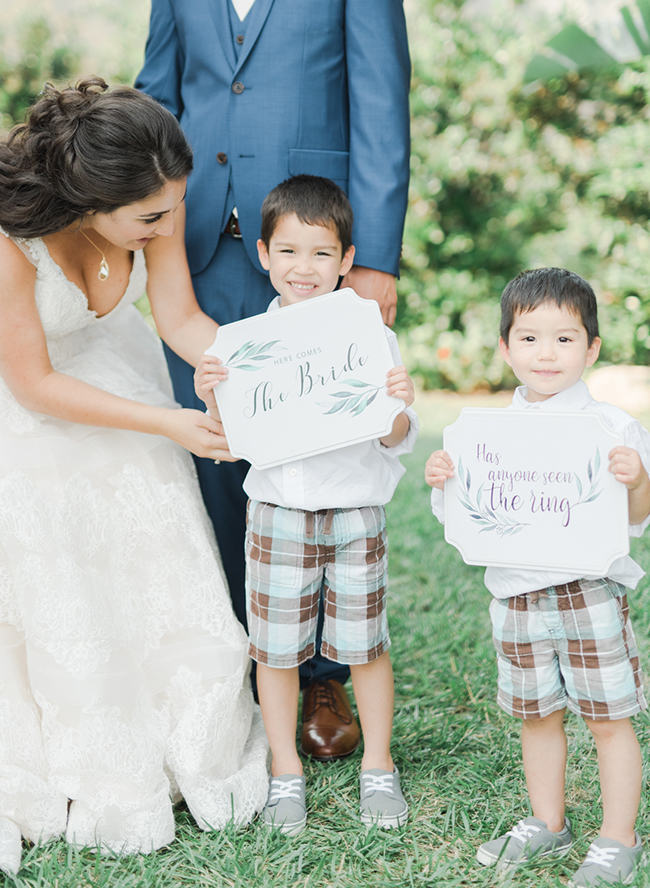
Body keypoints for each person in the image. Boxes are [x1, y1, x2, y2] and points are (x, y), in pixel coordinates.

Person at [0, 77, 269, 875]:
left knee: (154, 516)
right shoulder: (13, 242)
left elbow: (181, 322)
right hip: (29, 401)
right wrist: (171, 423)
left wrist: (252, 375)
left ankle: (180, 731)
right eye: (148, 218)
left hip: (117, 375)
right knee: (62, 521)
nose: (164, 224)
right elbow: (35, 385)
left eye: (171, 207)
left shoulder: (158, 195)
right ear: (86, 201)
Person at [135, 0, 411, 759]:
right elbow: (155, 97)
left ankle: (321, 675)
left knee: (321, 447)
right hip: (197, 246)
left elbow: (383, 105)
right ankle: (248, 660)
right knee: (218, 451)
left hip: (313, 249)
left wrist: (377, 256)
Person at [195, 175, 418, 833]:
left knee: (367, 645)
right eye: (288, 252)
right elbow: (234, 438)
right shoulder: (244, 346)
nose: (304, 268)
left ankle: (379, 762)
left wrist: (395, 408)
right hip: (278, 513)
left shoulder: (367, 334)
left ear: (347, 260)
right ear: (263, 254)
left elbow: (396, 436)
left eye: (321, 253)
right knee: (277, 651)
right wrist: (213, 392)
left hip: (354, 512)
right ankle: (284, 770)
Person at [426, 268, 649, 887]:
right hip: (517, 596)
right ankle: (548, 823)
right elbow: (465, 519)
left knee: (608, 718)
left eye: (564, 339)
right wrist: (447, 478)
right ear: (504, 348)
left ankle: (618, 837)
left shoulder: (612, 430)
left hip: (588, 595)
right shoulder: (489, 434)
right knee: (537, 714)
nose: (545, 354)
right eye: (528, 339)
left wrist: (637, 480)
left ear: (592, 348)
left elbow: (636, 520)